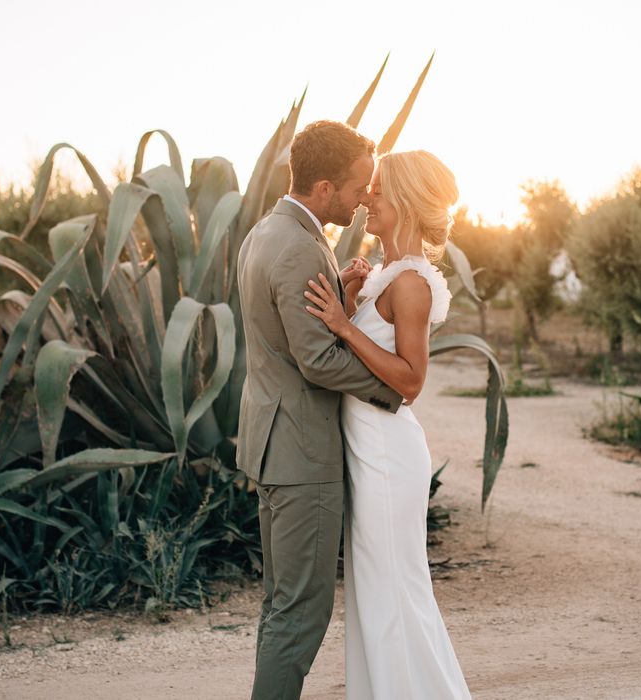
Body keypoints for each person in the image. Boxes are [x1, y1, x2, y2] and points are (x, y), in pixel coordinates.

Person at [236, 120, 402, 700]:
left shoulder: (264, 233)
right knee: (301, 614)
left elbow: (289, 339)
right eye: (358, 186)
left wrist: (345, 297)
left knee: (281, 605)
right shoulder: (301, 247)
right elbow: (316, 362)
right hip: (304, 455)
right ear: (325, 186)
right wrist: (394, 390)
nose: (364, 198)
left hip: (272, 444)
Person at [304, 150, 472, 699]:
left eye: (377, 190)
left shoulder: (412, 283)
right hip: (366, 449)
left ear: (402, 200)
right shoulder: (381, 275)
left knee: (395, 592)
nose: (367, 199)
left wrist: (344, 327)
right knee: (375, 593)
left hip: (388, 454)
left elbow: (410, 381)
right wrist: (350, 301)